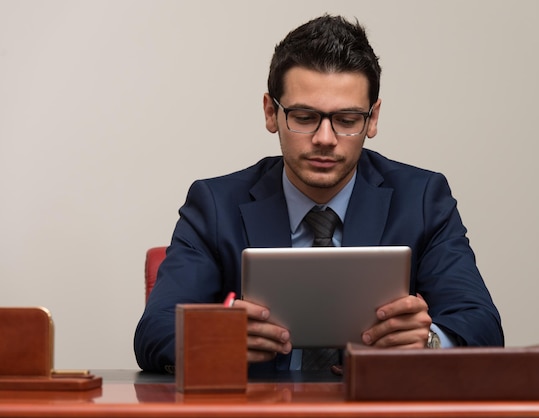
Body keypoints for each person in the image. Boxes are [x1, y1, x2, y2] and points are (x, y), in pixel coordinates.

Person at [134, 14, 504, 374]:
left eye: (346, 120)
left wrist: (428, 342)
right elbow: (153, 332)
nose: (325, 139)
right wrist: (218, 338)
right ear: (270, 112)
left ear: (372, 120)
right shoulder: (215, 205)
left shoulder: (421, 200)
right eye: (304, 117)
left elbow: (482, 325)